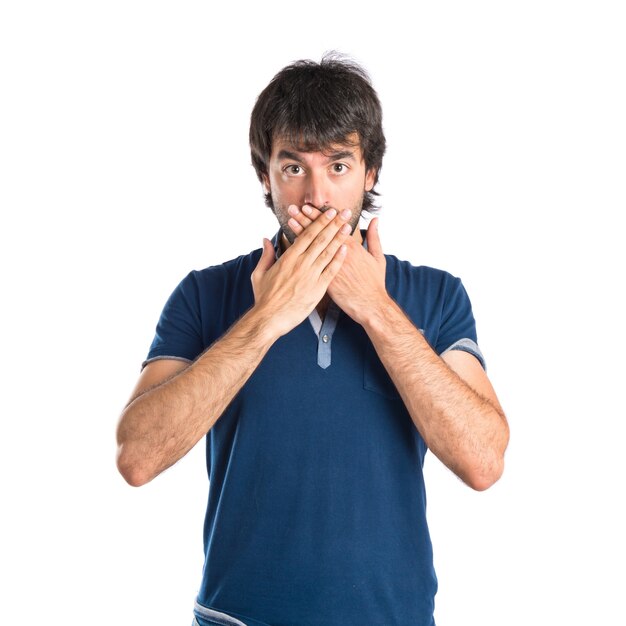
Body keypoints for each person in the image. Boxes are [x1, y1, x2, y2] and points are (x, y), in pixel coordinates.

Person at [116, 54, 509, 626]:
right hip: (238, 618)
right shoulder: (204, 294)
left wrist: (376, 309)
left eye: (340, 166)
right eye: (293, 167)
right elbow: (137, 458)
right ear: (265, 175)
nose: (317, 194)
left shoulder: (436, 295)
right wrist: (268, 317)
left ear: (371, 172)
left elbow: (484, 463)